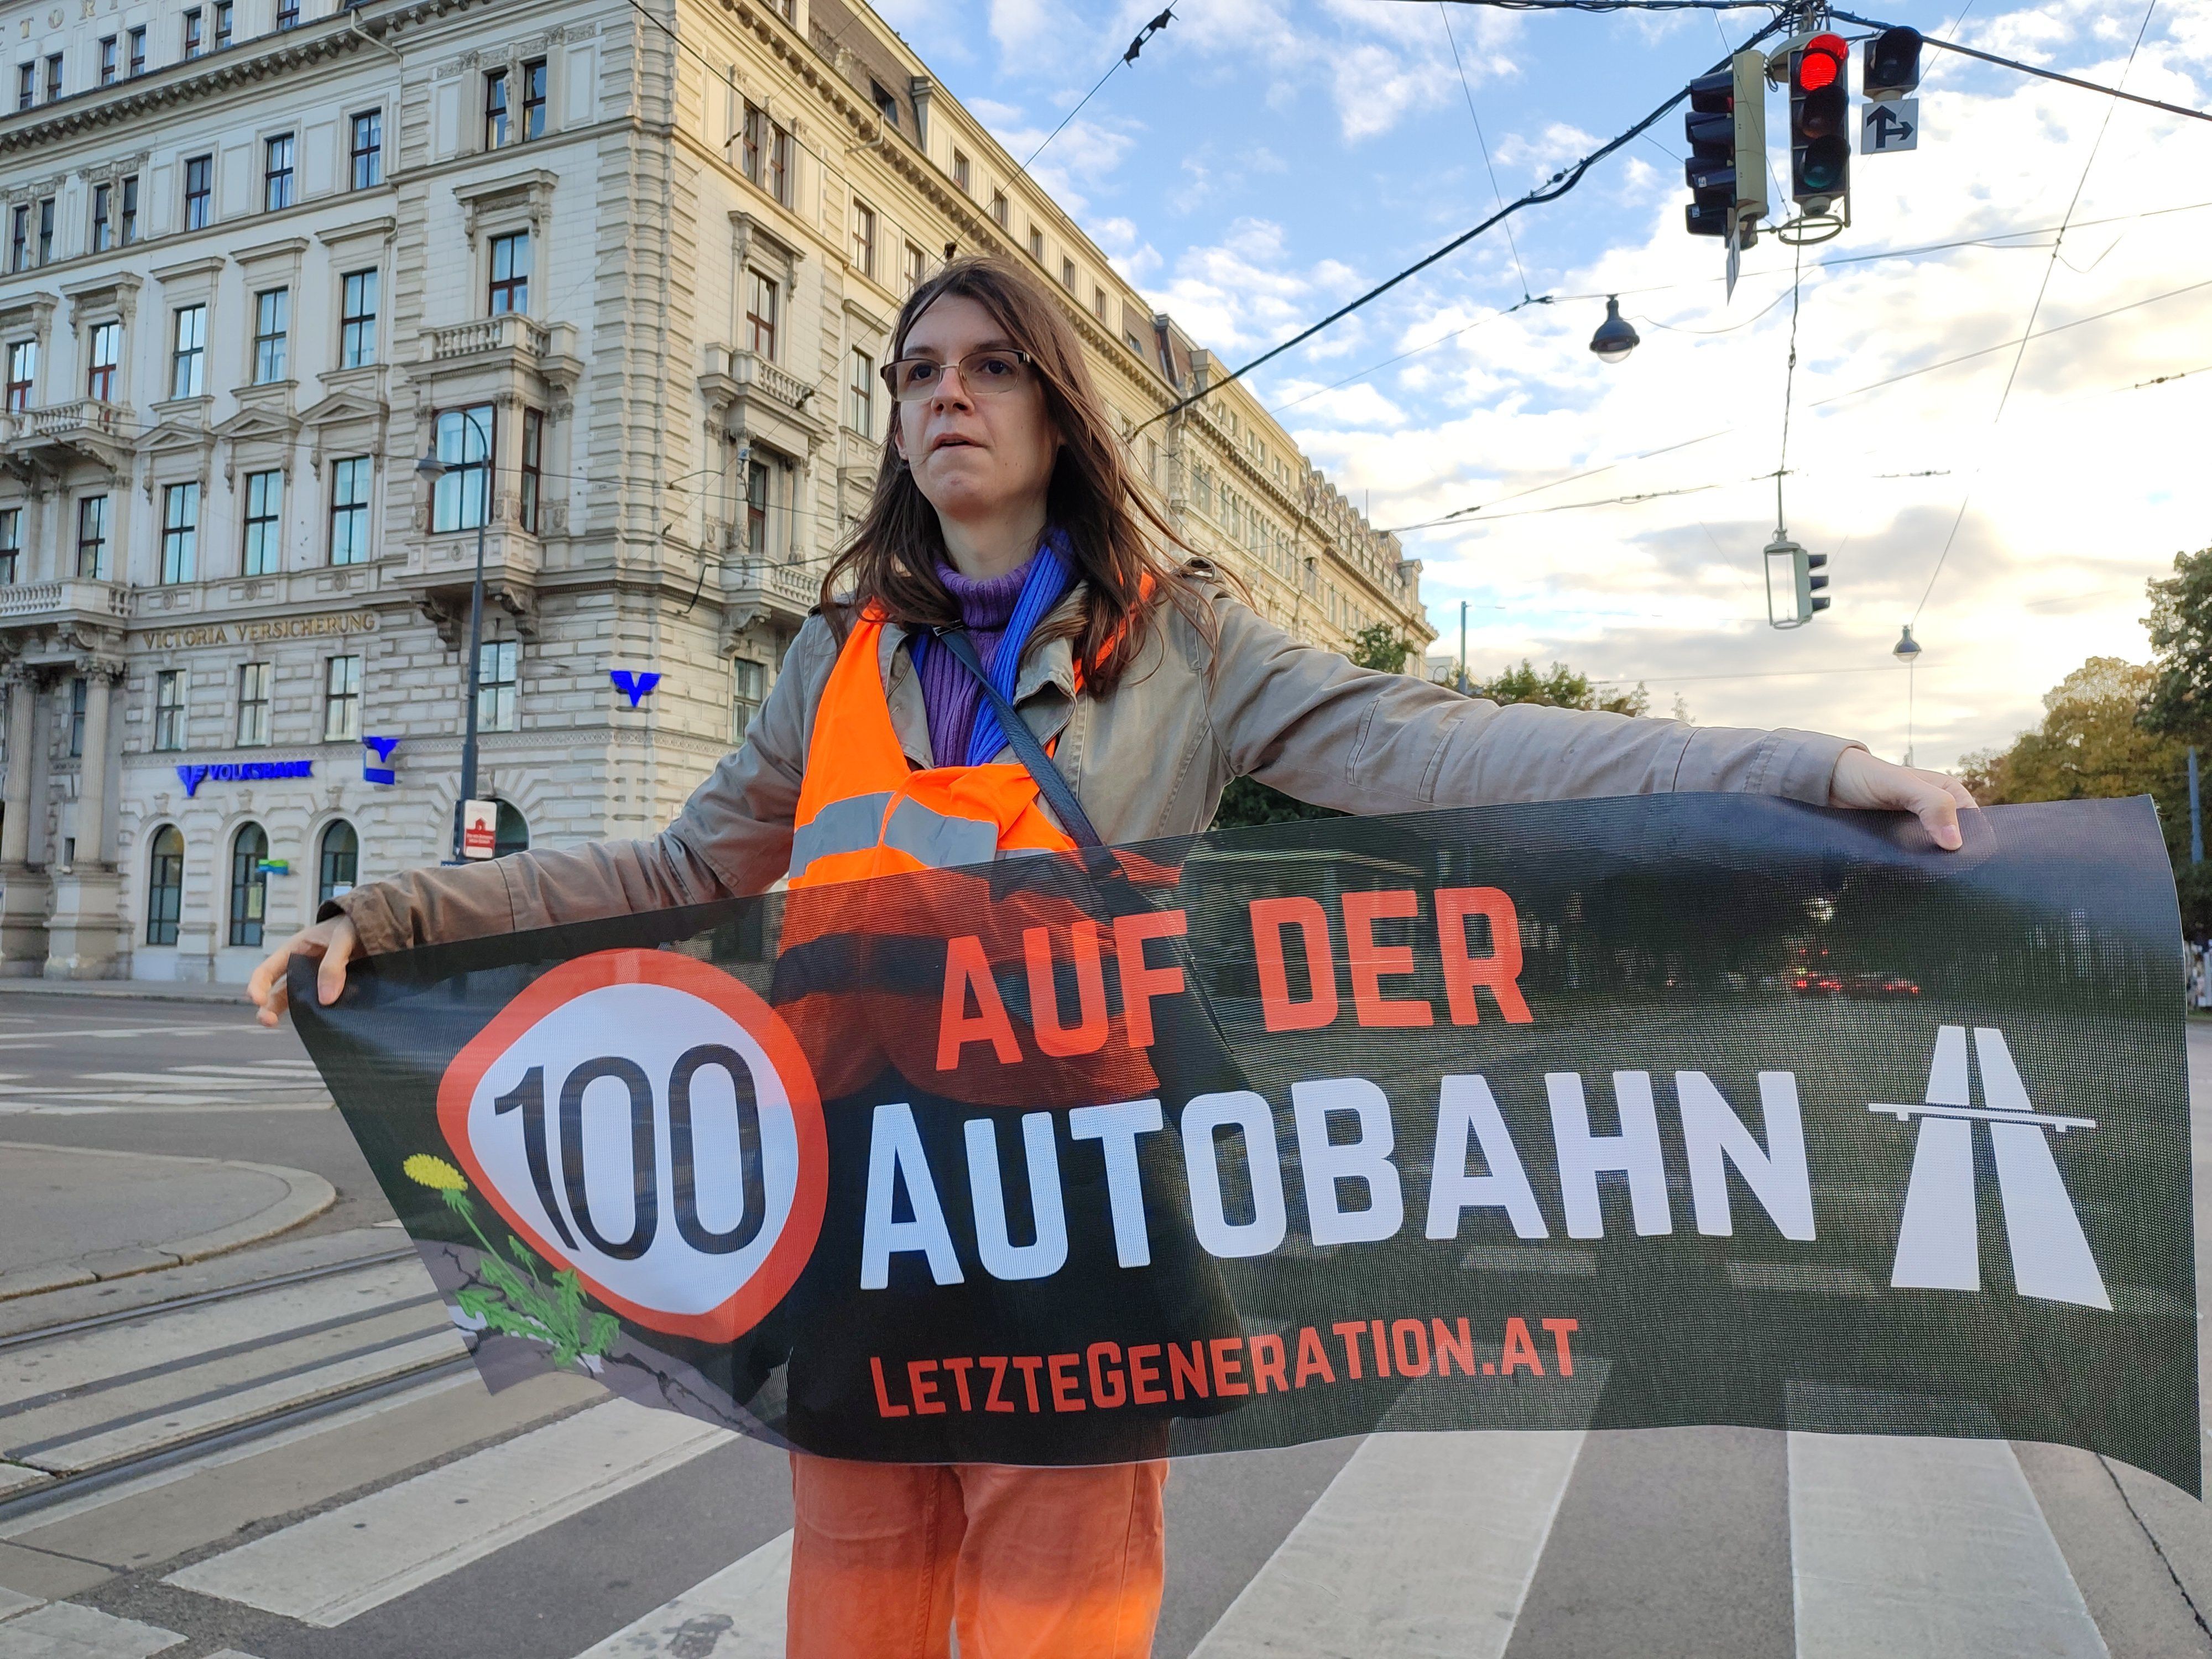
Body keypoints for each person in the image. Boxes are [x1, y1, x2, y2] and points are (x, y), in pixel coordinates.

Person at [249, 254, 1977, 1658]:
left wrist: (1801, 771)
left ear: (1056, 410)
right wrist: (387, 918)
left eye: (988, 367)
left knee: (1058, 1601)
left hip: (1077, 1196)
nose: (944, 396)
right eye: (917, 372)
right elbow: (681, 864)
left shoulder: (1188, 643)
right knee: (852, 1581)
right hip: (867, 1199)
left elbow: (1445, 749)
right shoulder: (835, 655)